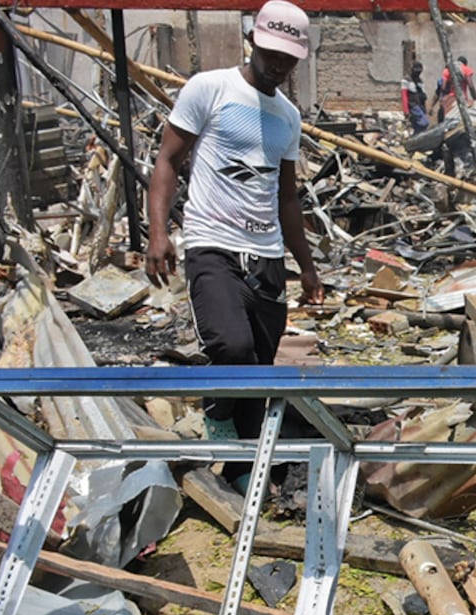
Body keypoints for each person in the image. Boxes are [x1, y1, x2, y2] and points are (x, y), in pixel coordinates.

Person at [145, 0, 324, 491]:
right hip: (212, 244)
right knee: (231, 345)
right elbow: (168, 161)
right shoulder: (210, 89)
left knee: (260, 371)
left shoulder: (287, 116)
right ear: (251, 42)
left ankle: (245, 472)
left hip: (266, 254)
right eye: (271, 54)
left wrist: (306, 266)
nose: (278, 65)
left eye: (287, 59)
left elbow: (286, 197)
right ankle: (217, 409)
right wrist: (159, 233)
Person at [434, 55, 476, 121]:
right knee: (460, 121)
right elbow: (470, 85)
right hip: (461, 99)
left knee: (447, 121)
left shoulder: (448, 70)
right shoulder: (466, 69)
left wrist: (441, 98)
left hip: (449, 99)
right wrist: (474, 97)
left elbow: (443, 87)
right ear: (465, 64)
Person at [401, 61, 429, 133]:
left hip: (420, 106)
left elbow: (423, 96)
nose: (417, 73)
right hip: (413, 106)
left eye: (419, 72)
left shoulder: (420, 81)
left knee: (418, 128)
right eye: (416, 71)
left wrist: (424, 110)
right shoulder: (406, 80)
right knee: (425, 123)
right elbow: (404, 96)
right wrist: (406, 110)